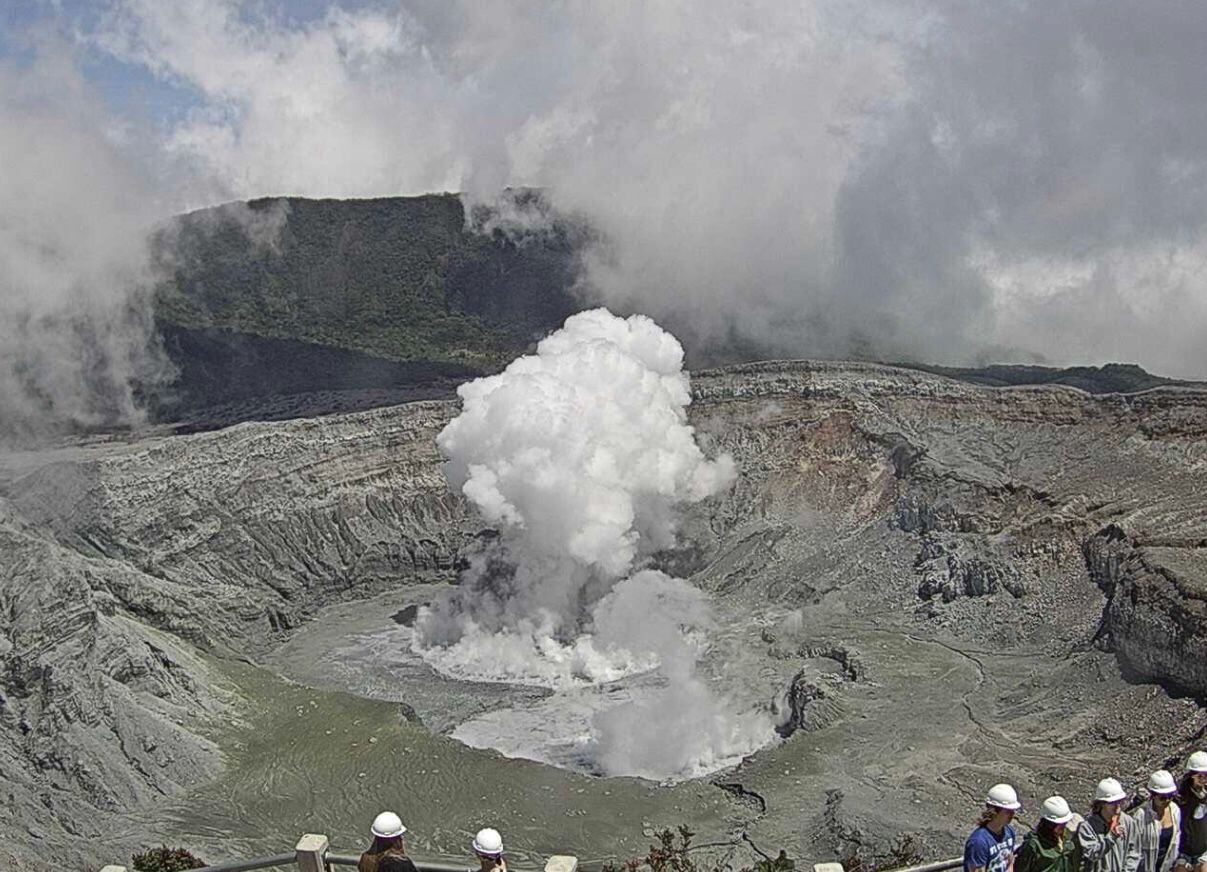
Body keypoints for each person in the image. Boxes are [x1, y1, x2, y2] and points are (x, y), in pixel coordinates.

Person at [1078, 777, 1140, 872]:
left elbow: (1134, 852)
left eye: (1119, 801)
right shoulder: (1087, 827)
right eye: (1112, 802)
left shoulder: (1127, 822)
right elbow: (1092, 854)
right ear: (1102, 804)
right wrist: (1111, 838)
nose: (1117, 806)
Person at [965, 783, 1022, 872]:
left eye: (1013, 811)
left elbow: (1009, 863)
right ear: (994, 811)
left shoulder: (1009, 832)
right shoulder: (979, 842)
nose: (1012, 814)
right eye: (1008, 811)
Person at [1017, 796, 1082, 872]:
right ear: (1049, 824)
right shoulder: (1034, 844)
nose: (1064, 826)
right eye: (1060, 824)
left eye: (1065, 822)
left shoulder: (1066, 838)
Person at [1135, 770, 1181, 872]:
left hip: (1167, 867)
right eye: (1163, 798)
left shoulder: (1175, 810)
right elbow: (1133, 846)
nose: (1167, 800)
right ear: (1153, 795)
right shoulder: (1141, 815)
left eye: (1171, 796)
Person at [1177, 752, 1207, 872]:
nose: (1204, 780)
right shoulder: (1181, 797)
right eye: (1200, 776)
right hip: (1184, 849)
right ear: (1192, 776)